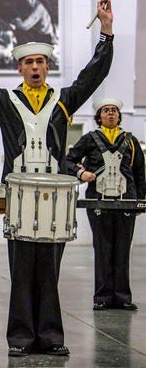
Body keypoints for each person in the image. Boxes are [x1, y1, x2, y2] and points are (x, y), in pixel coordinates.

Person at [0, 0, 114, 357]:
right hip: (20, 194)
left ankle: (51, 338)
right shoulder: (5, 101)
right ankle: (21, 339)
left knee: (50, 269)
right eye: (28, 62)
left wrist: (106, 31)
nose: (35, 67)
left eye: (40, 61)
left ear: (47, 67)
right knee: (21, 268)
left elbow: (94, 73)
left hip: (54, 194)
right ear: (19, 68)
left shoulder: (64, 100)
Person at [66, 98, 145, 311]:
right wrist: (81, 173)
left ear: (119, 116)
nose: (110, 114)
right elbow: (68, 161)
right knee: (102, 248)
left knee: (122, 249)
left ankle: (122, 297)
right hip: (98, 201)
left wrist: (141, 201)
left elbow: (139, 172)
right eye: (106, 111)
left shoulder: (131, 140)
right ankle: (102, 297)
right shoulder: (90, 139)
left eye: (114, 111)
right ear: (99, 116)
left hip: (126, 201)